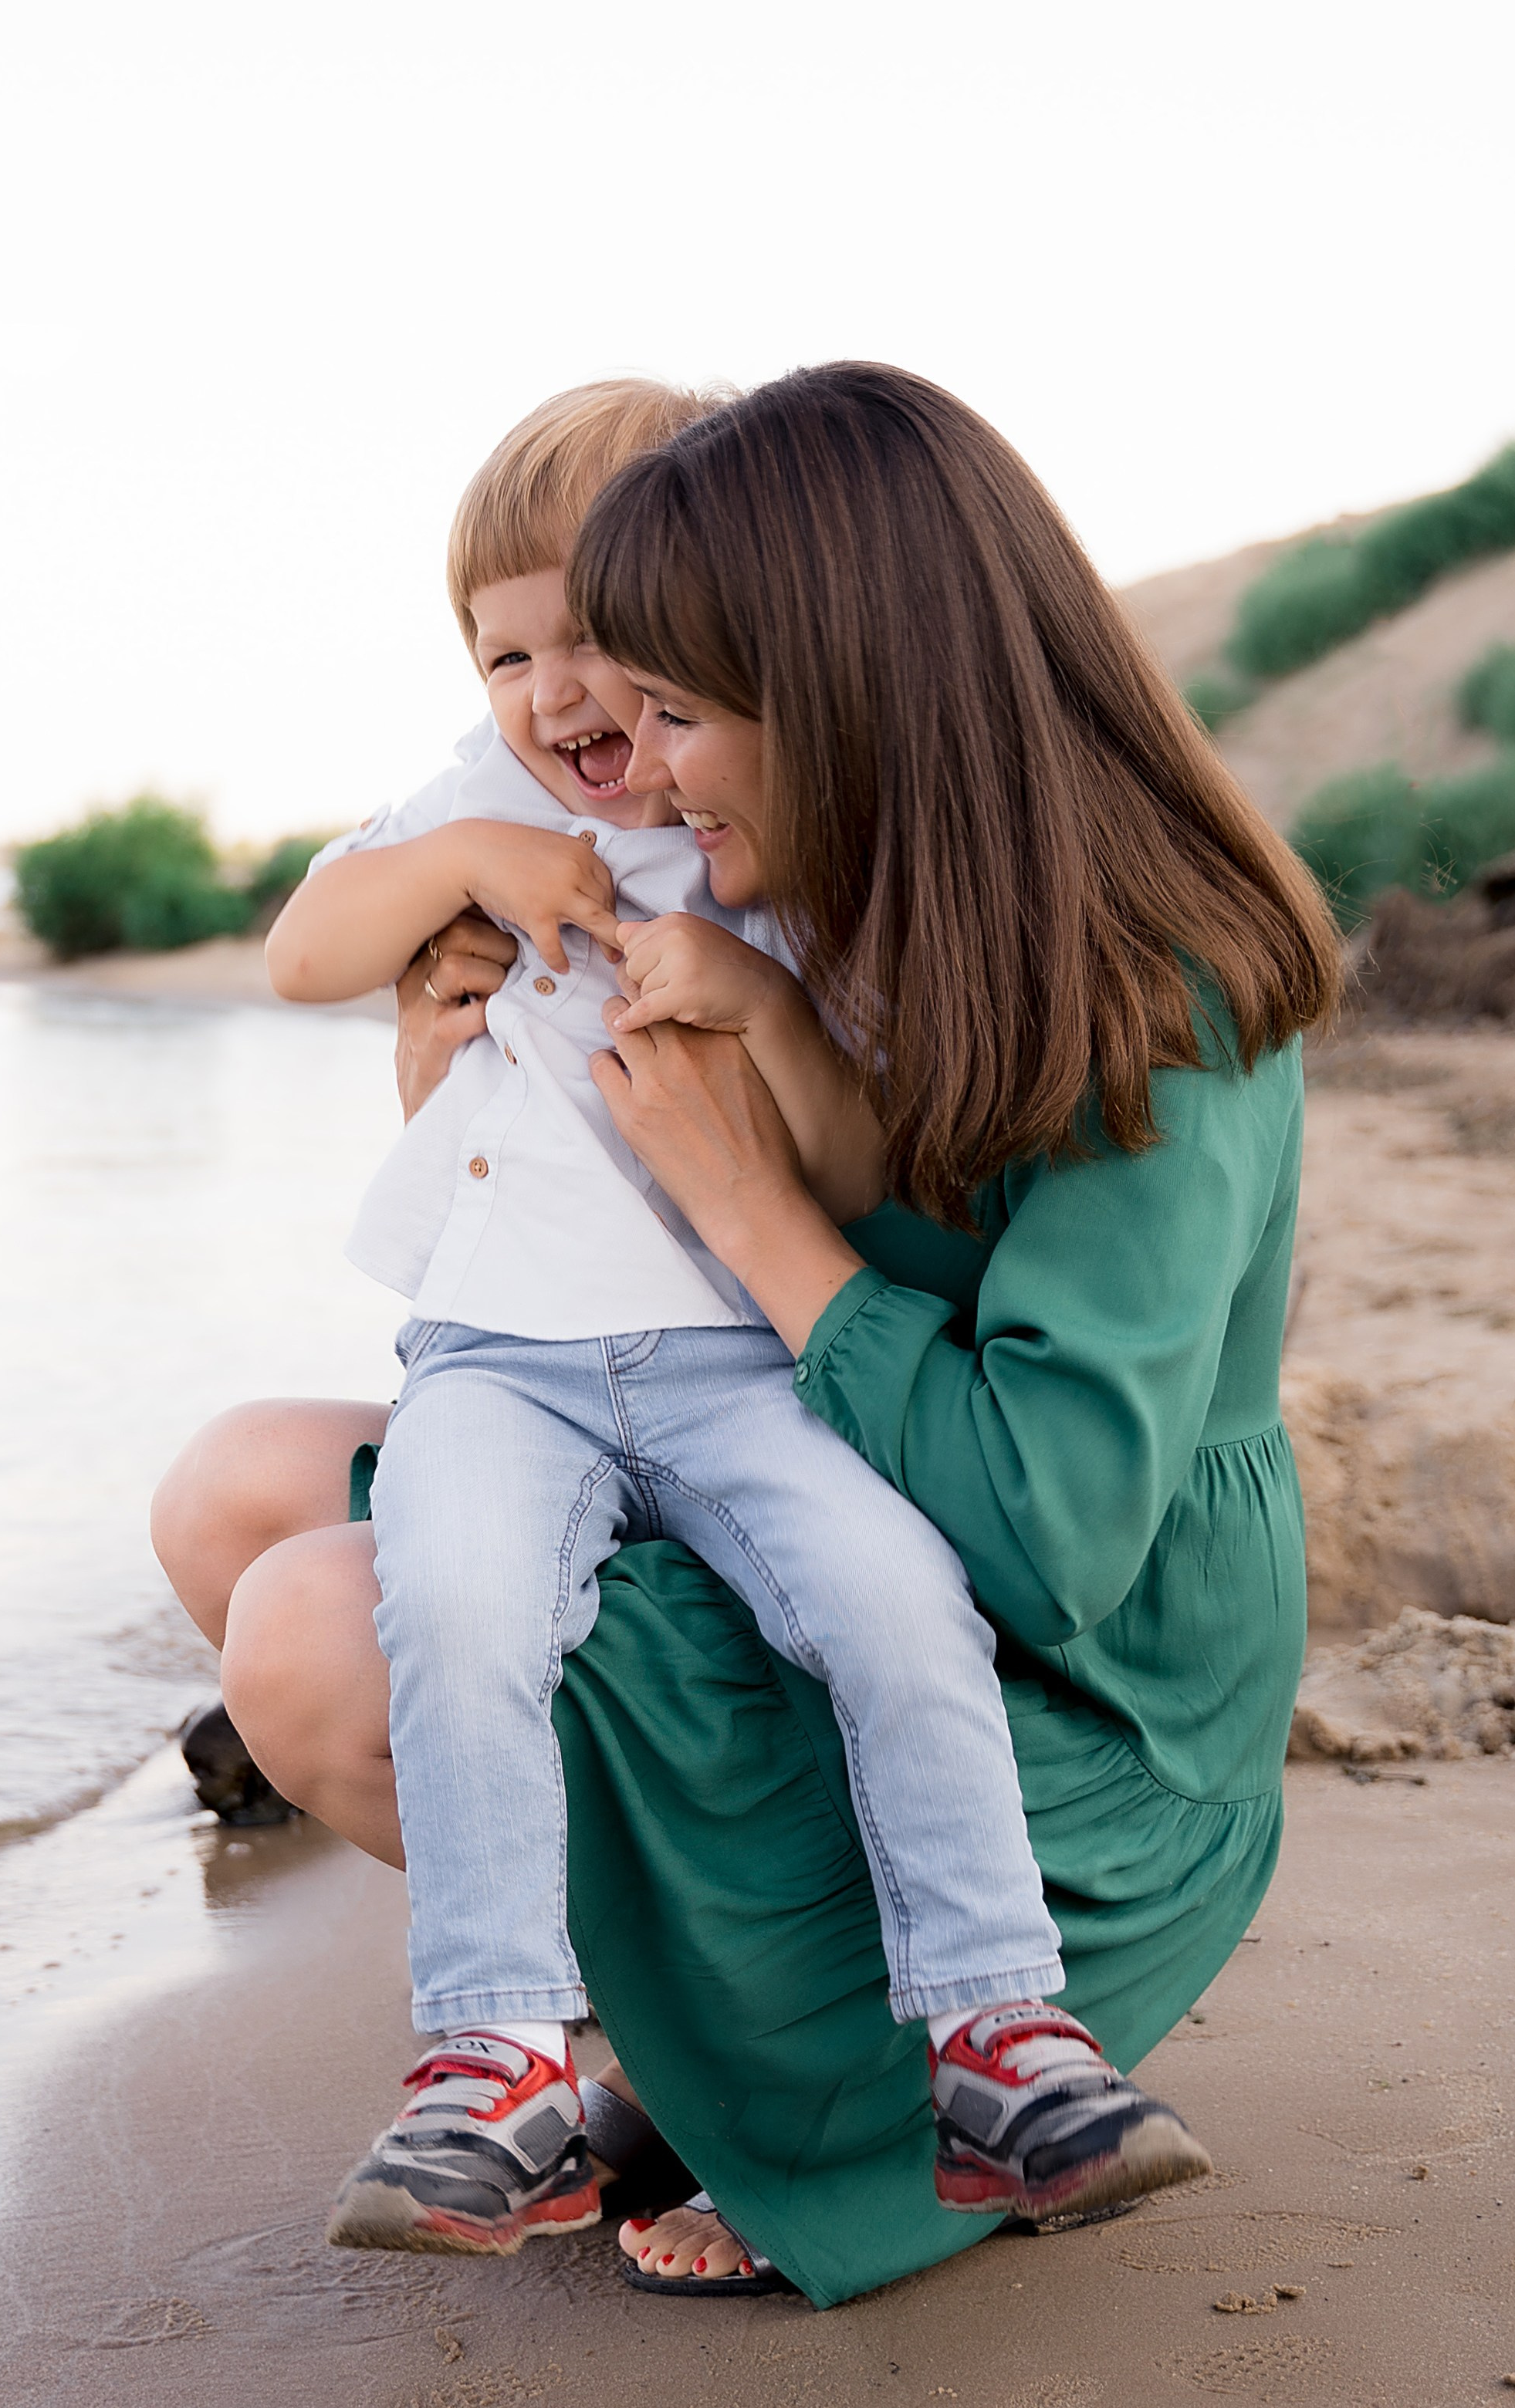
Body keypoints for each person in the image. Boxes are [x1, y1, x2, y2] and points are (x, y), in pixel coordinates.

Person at [154, 363, 1339, 2305]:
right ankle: (623, 2042)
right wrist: (456, 1082)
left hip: (1086, 1696)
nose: (632, 757)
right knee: (235, 1494)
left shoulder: (1152, 984)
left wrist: (752, 1205)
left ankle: (831, 2079)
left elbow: (1046, 1540)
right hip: (809, 1437)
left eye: (677, 708)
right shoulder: (811, 889)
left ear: (845, 689)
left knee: (309, 1634)